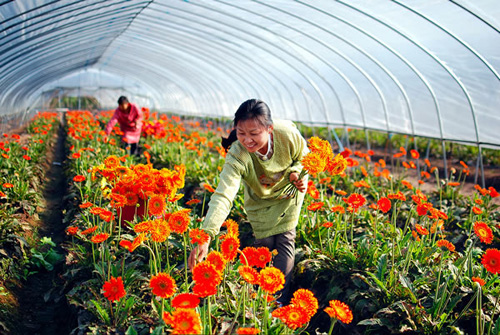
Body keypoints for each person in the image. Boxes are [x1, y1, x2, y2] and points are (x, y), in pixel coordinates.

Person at [188, 99, 308, 304]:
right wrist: (206, 235)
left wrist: (297, 173)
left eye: (254, 134)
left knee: (286, 241)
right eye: (241, 133)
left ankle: (277, 302)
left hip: (288, 196)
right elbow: (224, 195)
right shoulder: (237, 154)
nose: (247, 140)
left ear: (269, 129)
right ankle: (256, 294)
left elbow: (304, 156)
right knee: (264, 245)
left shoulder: (286, 134)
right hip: (259, 200)